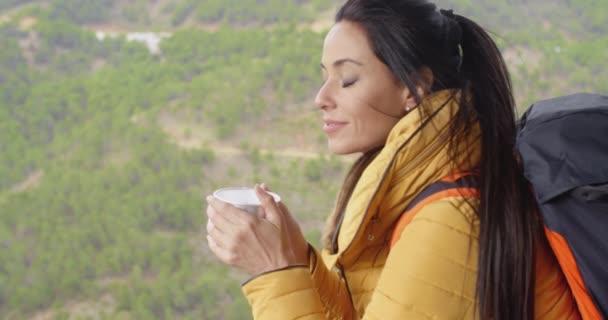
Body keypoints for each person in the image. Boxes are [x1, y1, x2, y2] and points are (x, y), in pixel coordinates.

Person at [205, 0, 581, 319]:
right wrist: (296, 258)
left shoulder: (452, 216)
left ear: (413, 89)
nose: (321, 97)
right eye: (324, 77)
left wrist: (276, 272)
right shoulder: (419, 184)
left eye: (347, 79)